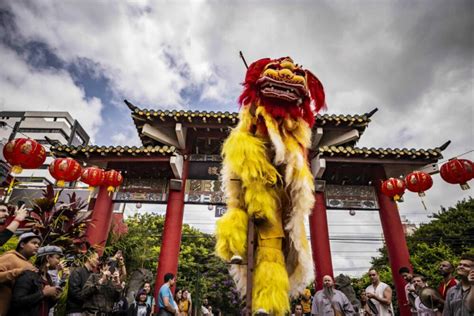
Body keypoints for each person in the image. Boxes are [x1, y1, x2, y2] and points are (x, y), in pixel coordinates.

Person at [10, 245, 64, 316]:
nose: (58, 262)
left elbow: (45, 305)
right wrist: (43, 293)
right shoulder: (29, 275)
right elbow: (17, 302)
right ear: (47, 258)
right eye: (57, 258)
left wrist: (54, 298)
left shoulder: (48, 278)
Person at [0, 231, 41, 315]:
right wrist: (19, 271)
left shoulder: (30, 265)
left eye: (38, 244)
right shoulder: (10, 257)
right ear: (22, 244)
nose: (37, 246)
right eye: (34, 243)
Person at [65, 249, 100, 315]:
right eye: (97, 259)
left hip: (87, 311)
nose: (98, 262)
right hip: (75, 310)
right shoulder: (77, 271)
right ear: (89, 258)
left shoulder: (92, 274)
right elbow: (74, 292)